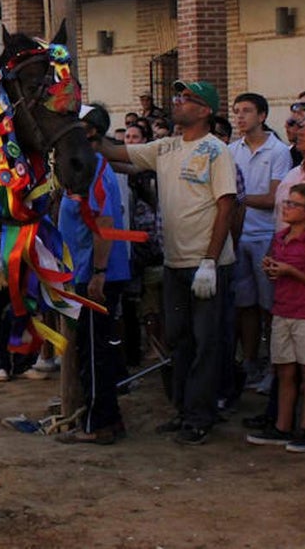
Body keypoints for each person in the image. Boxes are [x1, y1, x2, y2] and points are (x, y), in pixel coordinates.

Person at [98, 79, 237, 445]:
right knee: (179, 338)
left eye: (187, 99)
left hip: (206, 264)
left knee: (206, 341)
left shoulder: (215, 150)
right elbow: (118, 155)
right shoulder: (166, 147)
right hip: (175, 261)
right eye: (177, 97)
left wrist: (210, 260)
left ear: (205, 111)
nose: (177, 103)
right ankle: (183, 408)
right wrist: (86, 134)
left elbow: (226, 206)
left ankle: (201, 415)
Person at [57, 105, 131, 444]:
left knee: (92, 352)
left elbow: (104, 223)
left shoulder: (95, 171)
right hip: (87, 272)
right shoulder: (83, 169)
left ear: (89, 132)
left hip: (96, 275)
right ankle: (110, 418)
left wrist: (98, 272)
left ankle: (97, 425)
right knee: (95, 349)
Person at [246, 184, 305, 452]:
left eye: (294, 204)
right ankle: (283, 427)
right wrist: (274, 269)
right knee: (284, 370)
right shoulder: (281, 237)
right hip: (283, 311)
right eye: (287, 202)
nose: (286, 207)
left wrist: (289, 271)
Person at [229, 93, 293, 392]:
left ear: (262, 115)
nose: (240, 117)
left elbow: (272, 199)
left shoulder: (278, 151)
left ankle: (273, 365)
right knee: (246, 305)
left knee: (270, 306)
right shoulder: (231, 150)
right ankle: (251, 363)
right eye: (237, 111)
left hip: (265, 235)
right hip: (239, 235)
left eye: (247, 111)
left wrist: (237, 199)